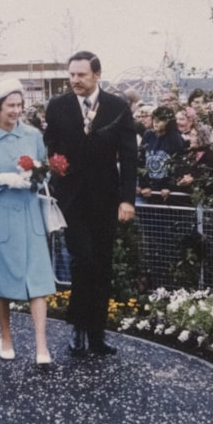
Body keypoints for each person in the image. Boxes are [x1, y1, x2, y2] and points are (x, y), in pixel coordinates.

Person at [44, 51, 137, 356]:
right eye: (71, 74)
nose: (75, 81)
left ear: (96, 75)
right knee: (83, 259)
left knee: (101, 265)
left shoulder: (117, 107)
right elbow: (50, 148)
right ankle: (78, 327)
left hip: (106, 199)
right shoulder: (57, 107)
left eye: (81, 75)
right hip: (70, 201)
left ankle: (96, 333)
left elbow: (129, 157)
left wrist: (127, 199)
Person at [0, 78, 56, 366]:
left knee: (38, 283)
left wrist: (35, 179)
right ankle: (6, 336)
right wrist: (3, 179)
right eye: (10, 106)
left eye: (19, 105)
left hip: (28, 217)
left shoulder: (32, 135)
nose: (17, 111)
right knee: (1, 284)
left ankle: (42, 346)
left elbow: (46, 171)